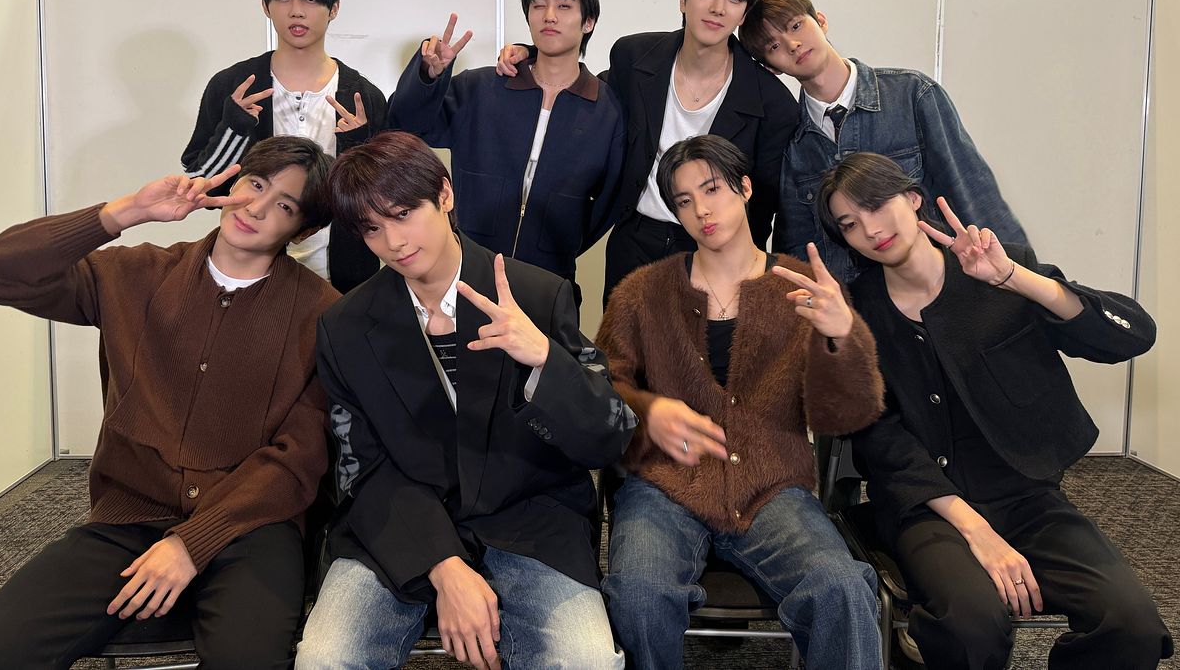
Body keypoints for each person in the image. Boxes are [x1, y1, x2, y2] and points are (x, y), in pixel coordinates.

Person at [0, 137, 340, 670]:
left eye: (284, 205)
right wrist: (127, 211)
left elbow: (299, 457)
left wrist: (192, 543)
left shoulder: (322, 313)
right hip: (128, 518)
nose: (257, 208)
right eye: (255, 184)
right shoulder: (136, 274)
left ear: (302, 230)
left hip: (252, 524)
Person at [296, 131, 638, 670]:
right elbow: (360, 470)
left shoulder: (536, 293)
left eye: (404, 214)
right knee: (324, 659)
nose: (394, 242)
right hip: (401, 524)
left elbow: (609, 437)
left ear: (445, 194)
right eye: (372, 228)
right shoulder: (344, 326)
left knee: (588, 660)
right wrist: (444, 564)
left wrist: (544, 360)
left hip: (530, 521)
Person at [818, 152, 1173, 670]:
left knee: (1132, 625)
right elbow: (880, 438)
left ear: (913, 199)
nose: (870, 229)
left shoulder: (1000, 272)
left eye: (876, 205)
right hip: (929, 510)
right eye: (849, 223)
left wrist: (1013, 278)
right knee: (972, 627)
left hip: (1027, 498)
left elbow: (1134, 335)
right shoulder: (856, 312)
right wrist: (977, 531)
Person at [596, 134, 885, 669]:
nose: (702, 210)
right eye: (684, 200)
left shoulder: (805, 289)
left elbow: (845, 415)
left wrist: (842, 336)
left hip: (771, 485)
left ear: (746, 188)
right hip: (664, 485)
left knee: (841, 588)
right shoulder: (642, 292)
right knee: (638, 593)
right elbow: (600, 389)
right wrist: (647, 412)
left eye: (712, 190)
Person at [499, 0, 800, 303]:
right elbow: (586, 92)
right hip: (635, 243)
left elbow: (765, 208)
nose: (719, 8)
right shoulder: (634, 56)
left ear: (744, 11)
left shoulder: (772, 103)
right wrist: (532, 55)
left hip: (716, 254)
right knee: (622, 340)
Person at [739, 0, 1025, 284]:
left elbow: (971, 191)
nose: (793, 44)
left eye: (796, 26)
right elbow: (797, 245)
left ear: (820, 21)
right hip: (850, 304)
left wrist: (1019, 282)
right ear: (770, 68)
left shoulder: (912, 94)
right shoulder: (790, 138)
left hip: (937, 290)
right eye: (774, 46)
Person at [388, 0, 624, 303]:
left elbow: (609, 201)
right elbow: (407, 126)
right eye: (538, 5)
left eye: (564, 6)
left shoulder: (606, 110)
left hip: (550, 284)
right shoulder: (481, 88)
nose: (549, 16)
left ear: (588, 21)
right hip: (467, 275)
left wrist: (560, 242)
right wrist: (429, 75)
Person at [182, 0, 388, 292]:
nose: (296, 10)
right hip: (248, 274)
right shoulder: (233, 85)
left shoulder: (363, 96)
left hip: (344, 279)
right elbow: (201, 185)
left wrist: (357, 149)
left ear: (334, 8)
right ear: (266, 6)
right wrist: (235, 129)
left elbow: (381, 203)